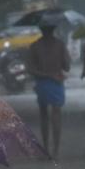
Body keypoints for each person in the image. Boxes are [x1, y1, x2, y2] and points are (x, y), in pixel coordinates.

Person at [27, 18, 71, 159]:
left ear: (41, 30)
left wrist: (45, 74)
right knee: (56, 115)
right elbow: (67, 66)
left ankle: (46, 148)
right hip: (56, 82)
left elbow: (30, 69)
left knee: (44, 115)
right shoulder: (60, 45)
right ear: (54, 29)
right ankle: (55, 151)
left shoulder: (35, 46)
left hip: (42, 83)